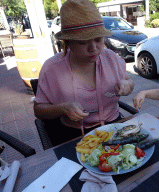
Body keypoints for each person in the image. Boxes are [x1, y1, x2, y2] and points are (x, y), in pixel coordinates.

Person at [34, 0, 134, 146]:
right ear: (67, 42)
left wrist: (127, 85)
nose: (93, 48)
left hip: (114, 127)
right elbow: (38, 111)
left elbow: (128, 81)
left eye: (98, 40)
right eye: (83, 42)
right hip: (73, 136)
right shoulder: (52, 69)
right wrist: (62, 108)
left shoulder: (111, 58)